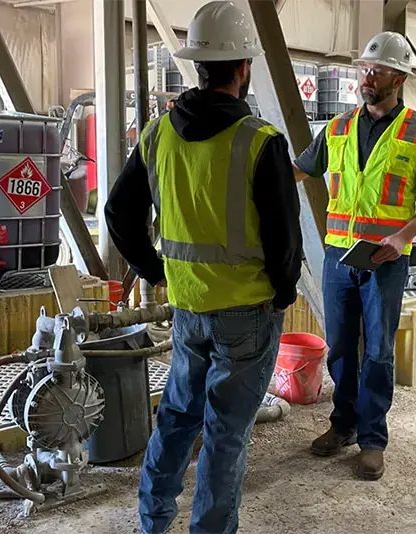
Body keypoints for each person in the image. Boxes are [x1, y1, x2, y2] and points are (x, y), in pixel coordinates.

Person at [105, 2, 302, 532]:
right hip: (247, 313)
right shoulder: (261, 142)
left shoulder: (156, 134)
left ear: (199, 65)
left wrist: (156, 272)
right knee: (225, 434)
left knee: (176, 418)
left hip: (188, 308)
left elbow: (117, 214)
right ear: (243, 68)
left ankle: (153, 520)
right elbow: (286, 241)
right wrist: (283, 294)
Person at [294, 31, 416, 480]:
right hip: (339, 259)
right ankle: (342, 424)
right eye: (364, 67)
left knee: (379, 352)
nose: (367, 75)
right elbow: (298, 170)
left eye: (377, 68)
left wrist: (403, 238)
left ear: (398, 77)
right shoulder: (338, 128)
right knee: (342, 347)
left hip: (386, 261)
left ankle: (373, 440)